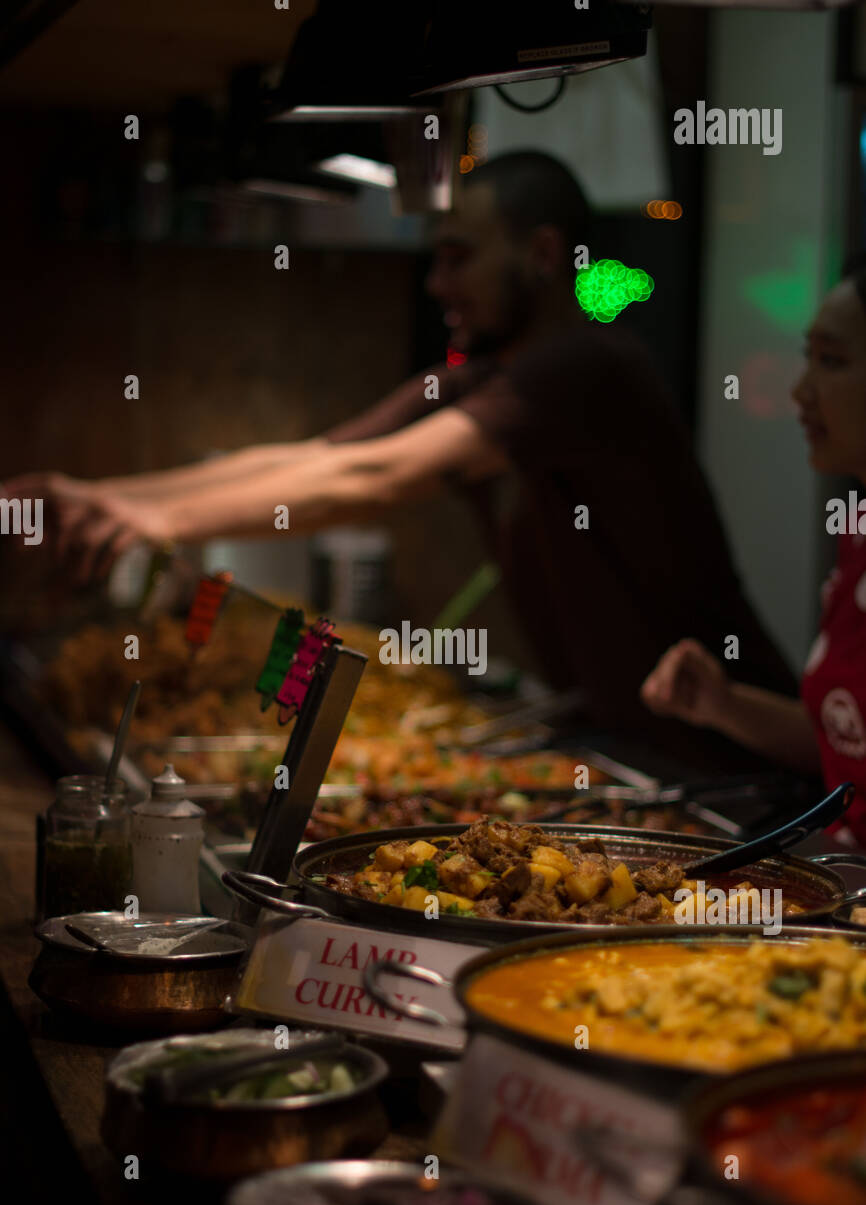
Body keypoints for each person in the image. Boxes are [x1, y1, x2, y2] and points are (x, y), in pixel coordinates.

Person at [4, 151, 795, 769]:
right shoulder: (486, 378)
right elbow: (315, 456)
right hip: (628, 747)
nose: (435, 282)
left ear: (545, 253)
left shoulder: (589, 365)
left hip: (735, 763)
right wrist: (105, 496)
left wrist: (154, 518)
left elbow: (377, 478)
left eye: (458, 257)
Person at [642, 255, 866, 840]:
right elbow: (843, 743)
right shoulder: (857, 535)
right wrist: (724, 706)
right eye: (808, 358)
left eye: (833, 361)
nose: (801, 390)